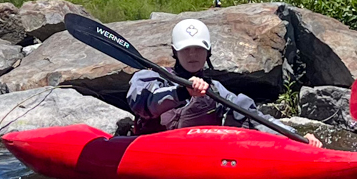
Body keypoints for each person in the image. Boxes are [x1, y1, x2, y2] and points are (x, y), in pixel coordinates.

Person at [126, 18, 319, 143]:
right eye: (186, 49)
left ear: (208, 52)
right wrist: (182, 91)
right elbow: (140, 102)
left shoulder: (216, 90)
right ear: (175, 52)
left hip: (194, 159)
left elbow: (256, 118)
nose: (192, 54)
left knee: (240, 116)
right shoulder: (150, 77)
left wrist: (296, 137)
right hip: (148, 149)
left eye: (198, 49)